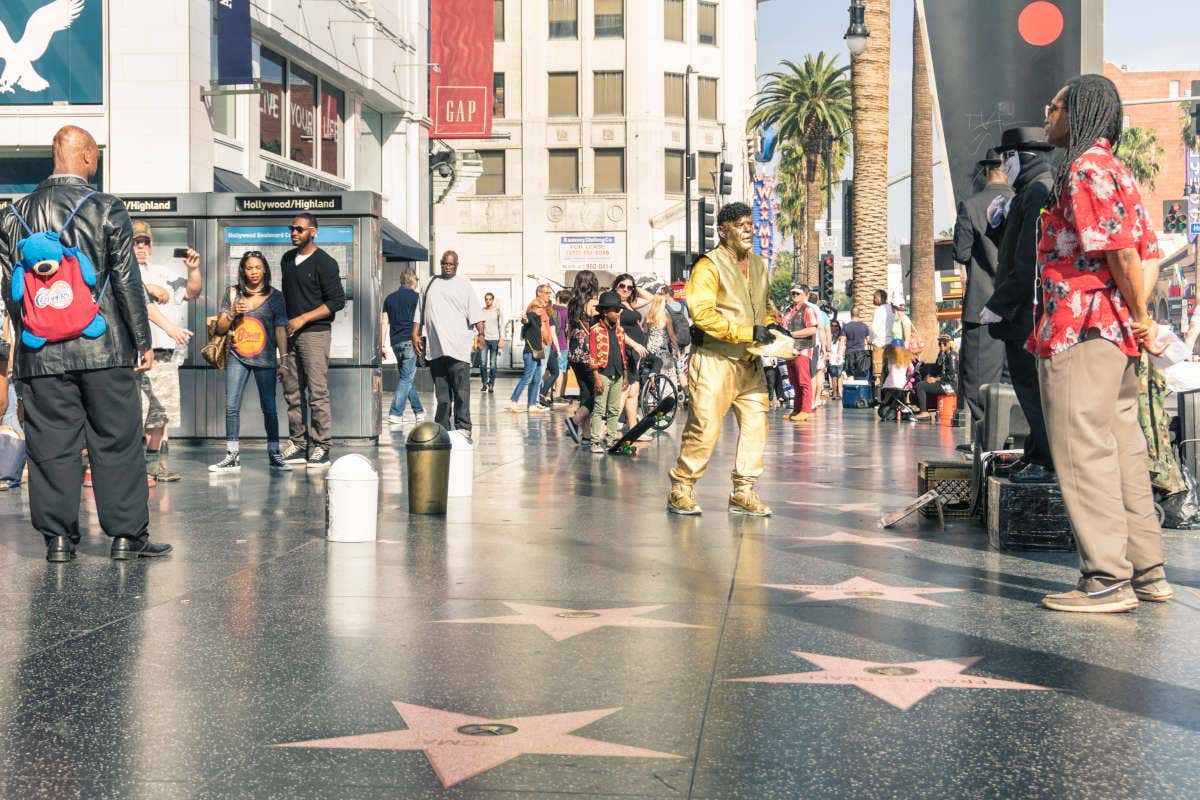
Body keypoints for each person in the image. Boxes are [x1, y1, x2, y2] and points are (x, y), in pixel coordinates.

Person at [0, 125, 169, 561]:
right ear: (89, 157)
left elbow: (9, 289)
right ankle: (126, 536)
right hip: (103, 346)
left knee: (51, 445)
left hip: (41, 354)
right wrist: (142, 338)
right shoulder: (106, 208)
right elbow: (127, 278)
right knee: (115, 438)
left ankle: (57, 539)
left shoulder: (11, 215)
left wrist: (32, 333)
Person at [1033, 74, 1169, 612]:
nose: (1049, 115)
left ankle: (1106, 579)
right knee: (1123, 449)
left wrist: (1141, 314)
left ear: (1079, 111)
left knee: (1083, 451)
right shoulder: (1119, 171)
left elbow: (1122, 254)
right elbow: (1148, 253)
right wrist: (1138, 320)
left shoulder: (1084, 168)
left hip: (1079, 329)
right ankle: (1148, 572)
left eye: (1055, 106)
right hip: (1113, 334)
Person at [668, 202, 780, 516]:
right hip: (715, 360)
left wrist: (772, 327)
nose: (749, 230)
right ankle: (682, 486)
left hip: (750, 362)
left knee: (757, 426)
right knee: (704, 426)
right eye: (741, 224)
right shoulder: (709, 265)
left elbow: (765, 307)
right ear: (723, 230)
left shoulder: (758, 264)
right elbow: (701, 314)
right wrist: (748, 332)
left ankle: (743, 491)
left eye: (751, 224)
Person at [982, 126, 1057, 484]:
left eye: (1005, 160)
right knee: (1026, 388)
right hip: (1025, 310)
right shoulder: (1028, 191)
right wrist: (999, 224)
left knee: (1032, 387)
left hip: (1028, 311)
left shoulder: (1037, 190)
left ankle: (1045, 459)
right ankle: (1036, 453)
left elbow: (1029, 261)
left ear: (1016, 158)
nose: (1002, 168)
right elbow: (1015, 247)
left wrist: (1000, 303)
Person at [131, 221, 200, 484]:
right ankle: (132, 466)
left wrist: (194, 269)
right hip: (133, 353)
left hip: (163, 353)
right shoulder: (121, 270)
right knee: (134, 411)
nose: (140, 247)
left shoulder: (162, 272)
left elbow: (193, 291)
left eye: (145, 242)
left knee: (160, 413)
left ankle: (153, 464)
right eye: (136, 241)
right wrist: (147, 289)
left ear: (151, 244)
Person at [209, 252, 290, 473]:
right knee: (231, 406)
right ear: (243, 270)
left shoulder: (276, 297)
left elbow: (281, 329)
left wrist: (284, 361)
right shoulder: (233, 293)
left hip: (266, 360)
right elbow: (220, 328)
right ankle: (232, 455)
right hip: (238, 357)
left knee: (269, 408)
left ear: (265, 270)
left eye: (257, 267)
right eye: (249, 268)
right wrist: (234, 311)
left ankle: (274, 454)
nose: (253, 272)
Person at [279, 213, 346, 469]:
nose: (294, 232)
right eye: (291, 228)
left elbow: (336, 301)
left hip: (315, 334)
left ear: (313, 232)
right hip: (289, 334)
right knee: (292, 391)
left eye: (299, 228)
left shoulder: (325, 263)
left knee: (317, 393)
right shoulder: (287, 259)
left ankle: (322, 445)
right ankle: (298, 442)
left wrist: (303, 318)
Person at [953, 148, 1012, 430]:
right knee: (1015, 381)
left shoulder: (971, 205)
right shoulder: (1023, 201)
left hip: (982, 306)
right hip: (1018, 308)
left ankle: (987, 443)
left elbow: (962, 253)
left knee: (978, 382)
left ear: (987, 170)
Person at [414, 251, 485, 440]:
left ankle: (463, 426)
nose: (448, 267)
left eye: (451, 265)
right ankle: (442, 427)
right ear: (440, 264)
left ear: (457, 265)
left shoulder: (464, 286)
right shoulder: (429, 284)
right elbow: (419, 312)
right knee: (442, 393)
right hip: (436, 349)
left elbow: (476, 314)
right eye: (445, 264)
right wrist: (415, 333)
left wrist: (481, 334)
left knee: (461, 391)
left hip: (458, 349)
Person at [381, 270, 426, 426]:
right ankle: (395, 413)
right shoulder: (417, 298)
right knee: (406, 378)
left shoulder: (389, 298)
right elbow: (423, 320)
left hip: (395, 343)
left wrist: (382, 344)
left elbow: (384, 322)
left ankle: (419, 411)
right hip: (410, 341)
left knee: (407, 378)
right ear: (412, 281)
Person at [612, 274, 652, 436]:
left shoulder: (629, 303)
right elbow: (617, 330)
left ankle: (634, 429)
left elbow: (650, 297)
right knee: (625, 390)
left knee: (633, 392)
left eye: (630, 287)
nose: (626, 290)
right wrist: (635, 344)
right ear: (615, 286)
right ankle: (611, 429)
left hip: (634, 353)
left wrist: (635, 286)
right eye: (622, 286)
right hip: (625, 351)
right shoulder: (614, 304)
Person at [588, 291, 627, 454]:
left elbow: (622, 353)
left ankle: (611, 440)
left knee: (613, 409)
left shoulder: (620, 331)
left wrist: (625, 374)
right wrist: (596, 377)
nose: (617, 313)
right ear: (604, 312)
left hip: (617, 372)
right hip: (603, 372)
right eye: (614, 310)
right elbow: (593, 354)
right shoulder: (595, 330)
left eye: (619, 310)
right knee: (599, 408)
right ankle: (595, 441)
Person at [564, 271, 600, 444]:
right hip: (589, 353)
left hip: (574, 353)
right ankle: (575, 420)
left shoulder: (572, 303)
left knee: (585, 393)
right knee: (598, 394)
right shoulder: (593, 304)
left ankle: (586, 436)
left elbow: (568, 329)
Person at [511, 284, 553, 414]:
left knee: (536, 378)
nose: (541, 309)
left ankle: (531, 405)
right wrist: (524, 319)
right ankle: (514, 401)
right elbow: (526, 321)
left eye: (542, 308)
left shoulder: (539, 318)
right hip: (530, 352)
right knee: (527, 378)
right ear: (534, 307)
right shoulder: (531, 315)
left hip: (538, 351)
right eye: (538, 307)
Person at [781, 285, 819, 423]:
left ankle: (805, 410)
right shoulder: (788, 310)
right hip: (789, 350)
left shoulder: (808, 309)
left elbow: (812, 330)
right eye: (793, 293)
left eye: (798, 293)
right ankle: (797, 410)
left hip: (802, 350)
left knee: (804, 382)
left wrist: (793, 334)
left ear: (805, 295)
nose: (794, 295)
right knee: (794, 382)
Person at [913, 336, 959, 420]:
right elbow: (937, 369)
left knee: (921, 385)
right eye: (940, 343)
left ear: (950, 344)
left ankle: (924, 412)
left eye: (944, 343)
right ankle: (926, 410)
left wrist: (935, 379)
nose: (941, 345)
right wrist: (929, 376)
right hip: (943, 383)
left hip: (950, 386)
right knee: (922, 382)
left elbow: (951, 376)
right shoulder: (942, 355)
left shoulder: (952, 355)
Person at [644, 291, 679, 379]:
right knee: (667, 373)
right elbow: (671, 335)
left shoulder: (648, 316)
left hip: (650, 348)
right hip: (663, 348)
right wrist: (677, 349)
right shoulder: (666, 316)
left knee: (653, 371)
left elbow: (645, 332)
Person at [545, 289, 572, 404]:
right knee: (561, 370)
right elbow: (568, 330)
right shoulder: (567, 312)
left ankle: (546, 394)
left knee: (548, 370)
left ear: (558, 298)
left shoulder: (548, 309)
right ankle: (558, 396)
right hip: (562, 344)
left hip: (547, 343)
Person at [479, 292, 505, 393]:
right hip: (484, 340)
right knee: (483, 363)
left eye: (490, 299)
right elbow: (479, 325)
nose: (488, 301)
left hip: (495, 340)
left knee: (493, 364)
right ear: (485, 300)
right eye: (486, 299)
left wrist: (502, 339)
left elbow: (501, 326)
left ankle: (491, 384)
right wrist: (477, 338)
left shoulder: (497, 311)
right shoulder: (482, 311)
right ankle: (484, 383)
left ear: (492, 300)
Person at [809, 290, 831, 408]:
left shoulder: (807, 310)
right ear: (817, 302)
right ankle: (816, 399)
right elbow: (827, 332)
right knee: (819, 374)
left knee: (811, 375)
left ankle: (811, 400)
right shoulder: (822, 314)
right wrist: (828, 348)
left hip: (809, 346)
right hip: (819, 346)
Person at [869, 290, 895, 392]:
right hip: (890, 344)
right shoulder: (892, 310)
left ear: (880, 298)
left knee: (878, 373)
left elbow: (874, 329)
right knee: (889, 370)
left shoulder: (878, 310)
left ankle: (879, 396)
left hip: (879, 344)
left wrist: (870, 340)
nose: (873, 299)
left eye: (874, 297)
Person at [841, 307, 871, 379]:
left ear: (850, 314)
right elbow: (869, 341)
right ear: (859, 314)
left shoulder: (846, 327)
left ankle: (851, 389)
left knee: (850, 376)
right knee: (861, 376)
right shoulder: (864, 326)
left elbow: (842, 341)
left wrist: (840, 354)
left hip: (849, 353)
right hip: (861, 354)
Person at [828, 320, 846, 400]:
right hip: (831, 359)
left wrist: (840, 355)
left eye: (836, 326)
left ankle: (840, 392)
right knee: (833, 377)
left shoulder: (841, 337)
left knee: (839, 376)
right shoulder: (828, 337)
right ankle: (835, 393)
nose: (834, 327)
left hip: (839, 359)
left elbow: (843, 346)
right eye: (832, 325)